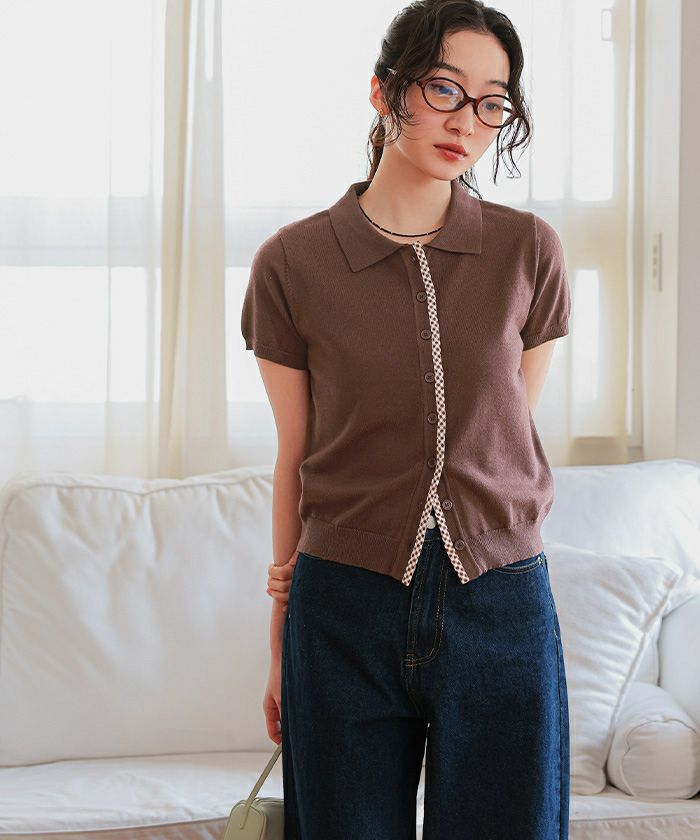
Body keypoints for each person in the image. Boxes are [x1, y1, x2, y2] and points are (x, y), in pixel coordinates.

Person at [241, 1, 571, 837]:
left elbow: (505, 436)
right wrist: (281, 633)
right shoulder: (292, 262)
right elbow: (296, 456)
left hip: (500, 599)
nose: (468, 122)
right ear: (385, 91)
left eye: (492, 103)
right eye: (444, 89)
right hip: (343, 604)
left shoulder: (529, 250)